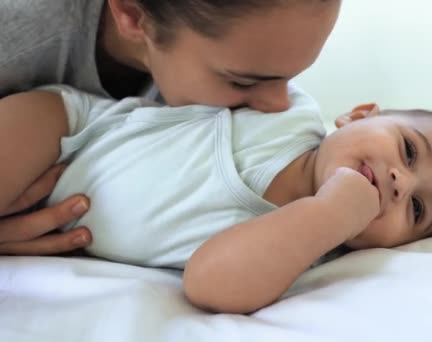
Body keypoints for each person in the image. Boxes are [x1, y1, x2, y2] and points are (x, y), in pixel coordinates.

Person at [0, 85, 432, 313]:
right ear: (357, 115)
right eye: (407, 150)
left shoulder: (304, 251)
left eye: (417, 210)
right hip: (73, 129)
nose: (401, 183)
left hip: (54, 221)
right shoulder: (287, 109)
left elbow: (209, 284)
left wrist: (331, 216)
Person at [0, 0, 342, 255]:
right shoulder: (17, 32)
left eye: (291, 77)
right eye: (242, 81)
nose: (280, 104)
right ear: (133, 15)